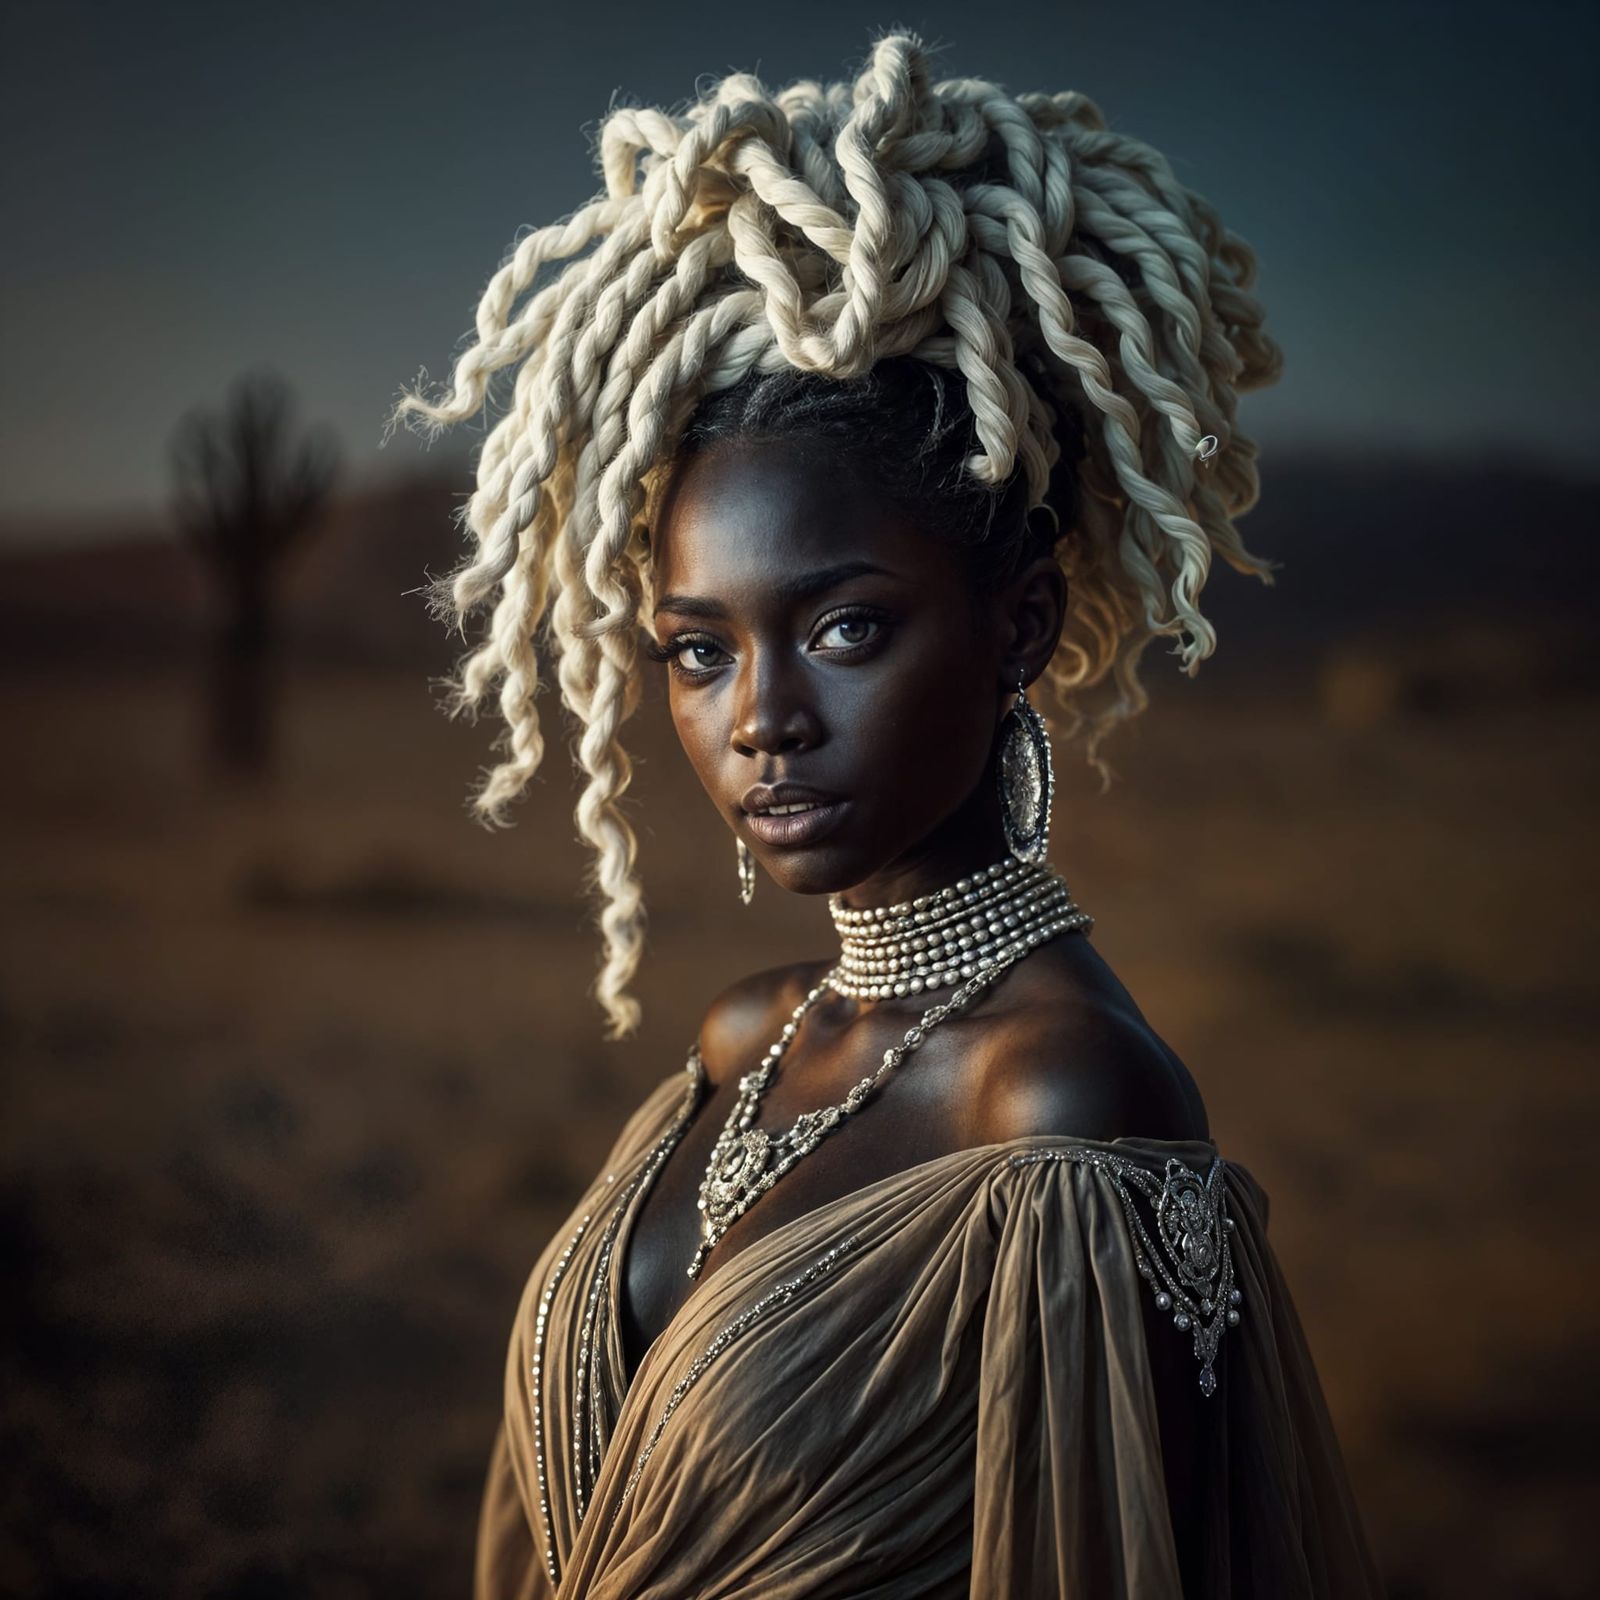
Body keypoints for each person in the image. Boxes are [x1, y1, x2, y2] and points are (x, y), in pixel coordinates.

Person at [388, 31, 1383, 1598]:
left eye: (845, 629)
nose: (761, 721)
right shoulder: (745, 1040)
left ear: (1023, 627)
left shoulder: (1063, 1108)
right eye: (700, 652)